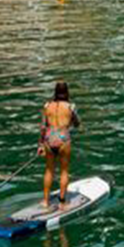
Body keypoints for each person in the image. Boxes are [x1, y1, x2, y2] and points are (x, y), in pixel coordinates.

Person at [39, 80, 80, 209]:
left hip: (49, 138)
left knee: (49, 170)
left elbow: (43, 126)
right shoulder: (70, 107)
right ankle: (62, 202)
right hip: (63, 138)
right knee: (64, 171)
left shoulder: (47, 106)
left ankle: (46, 201)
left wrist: (40, 145)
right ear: (66, 92)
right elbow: (77, 123)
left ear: (55, 92)